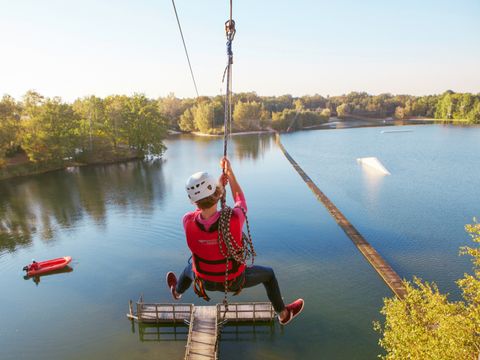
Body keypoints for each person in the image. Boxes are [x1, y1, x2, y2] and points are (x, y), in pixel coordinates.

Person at [166, 157, 304, 325]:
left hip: (204, 281)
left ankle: (177, 292)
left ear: (194, 201)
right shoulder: (234, 219)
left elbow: (201, 209)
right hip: (233, 280)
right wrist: (230, 174)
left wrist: (217, 189)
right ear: (217, 195)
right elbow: (240, 200)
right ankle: (283, 314)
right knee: (269, 275)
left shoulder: (187, 221)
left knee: (189, 269)